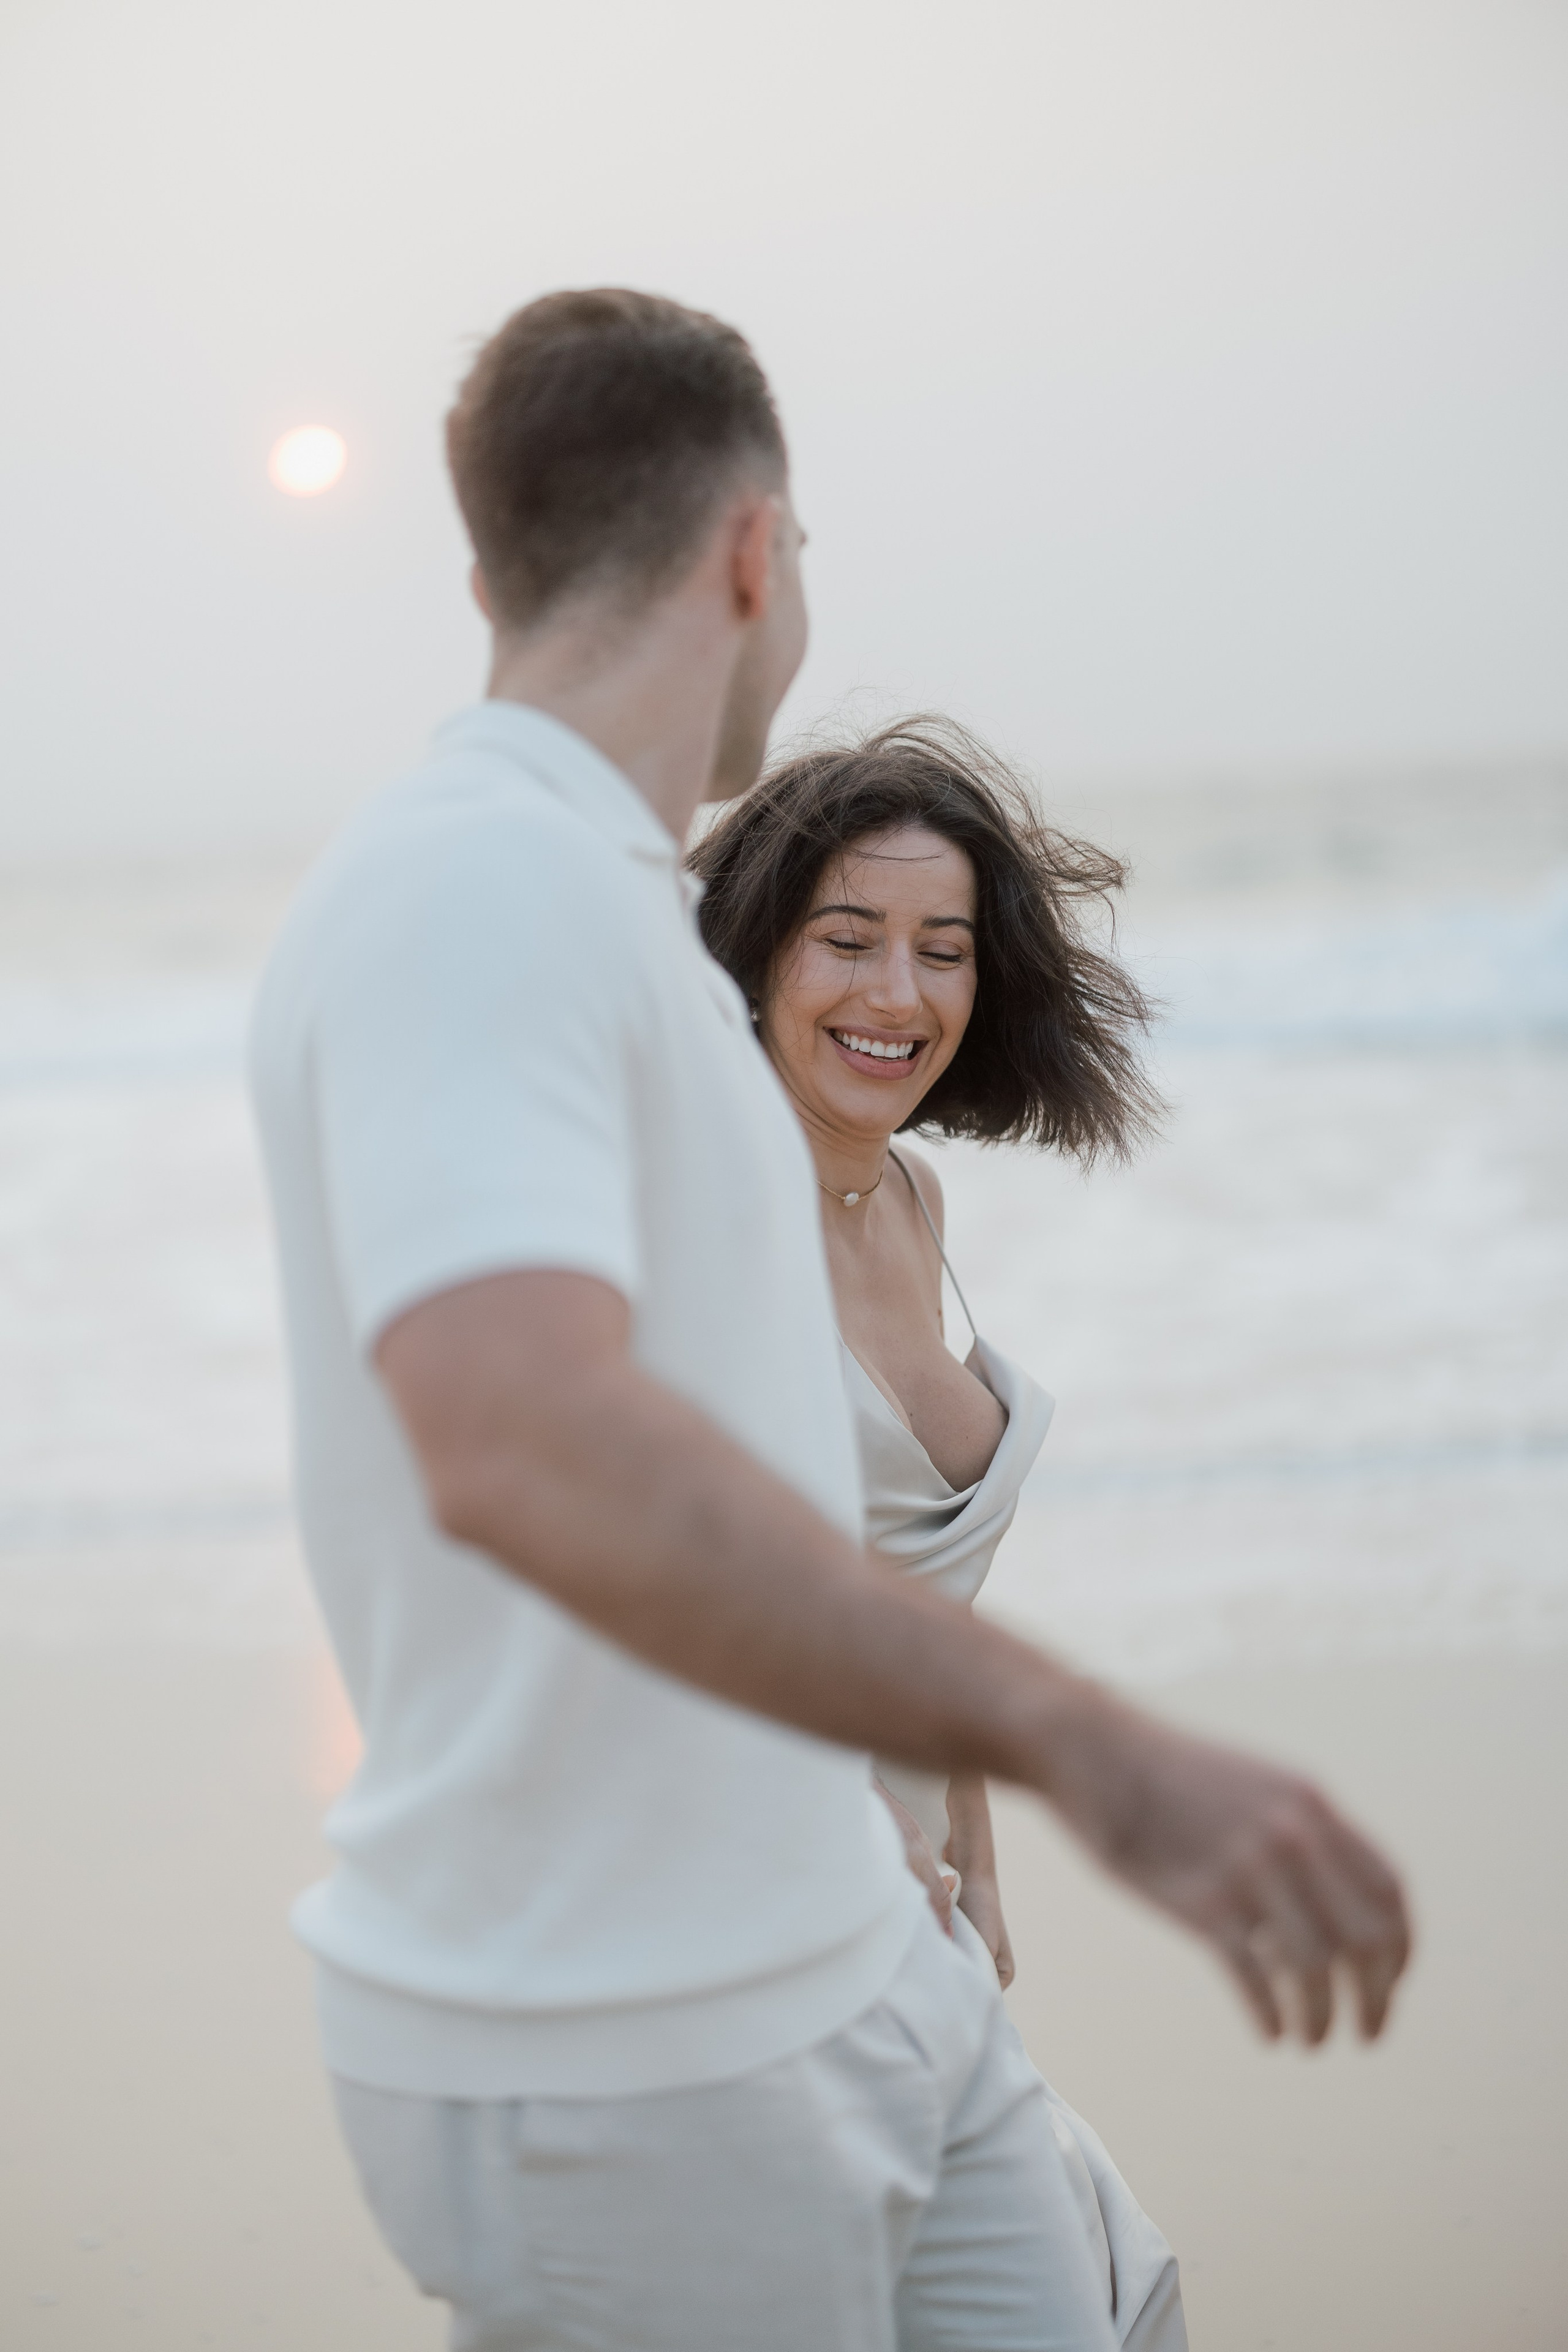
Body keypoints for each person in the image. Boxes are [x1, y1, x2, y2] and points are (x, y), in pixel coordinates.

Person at [249, 288, 1411, 2352]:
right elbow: (521, 1442)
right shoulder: (478, 886)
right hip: (630, 2026)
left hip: (850, 1949)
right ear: (758, 556)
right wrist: (1086, 1738)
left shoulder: (613, 915)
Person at [691, 717, 1178, 2341]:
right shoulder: (695, 1221)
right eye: (847, 940)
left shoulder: (906, 1198)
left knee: (1103, 2293)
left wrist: (962, 1809)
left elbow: (897, 1581)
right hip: (765, 1928)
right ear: (758, 955)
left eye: (943, 950)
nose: (897, 995)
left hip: (920, 1914)